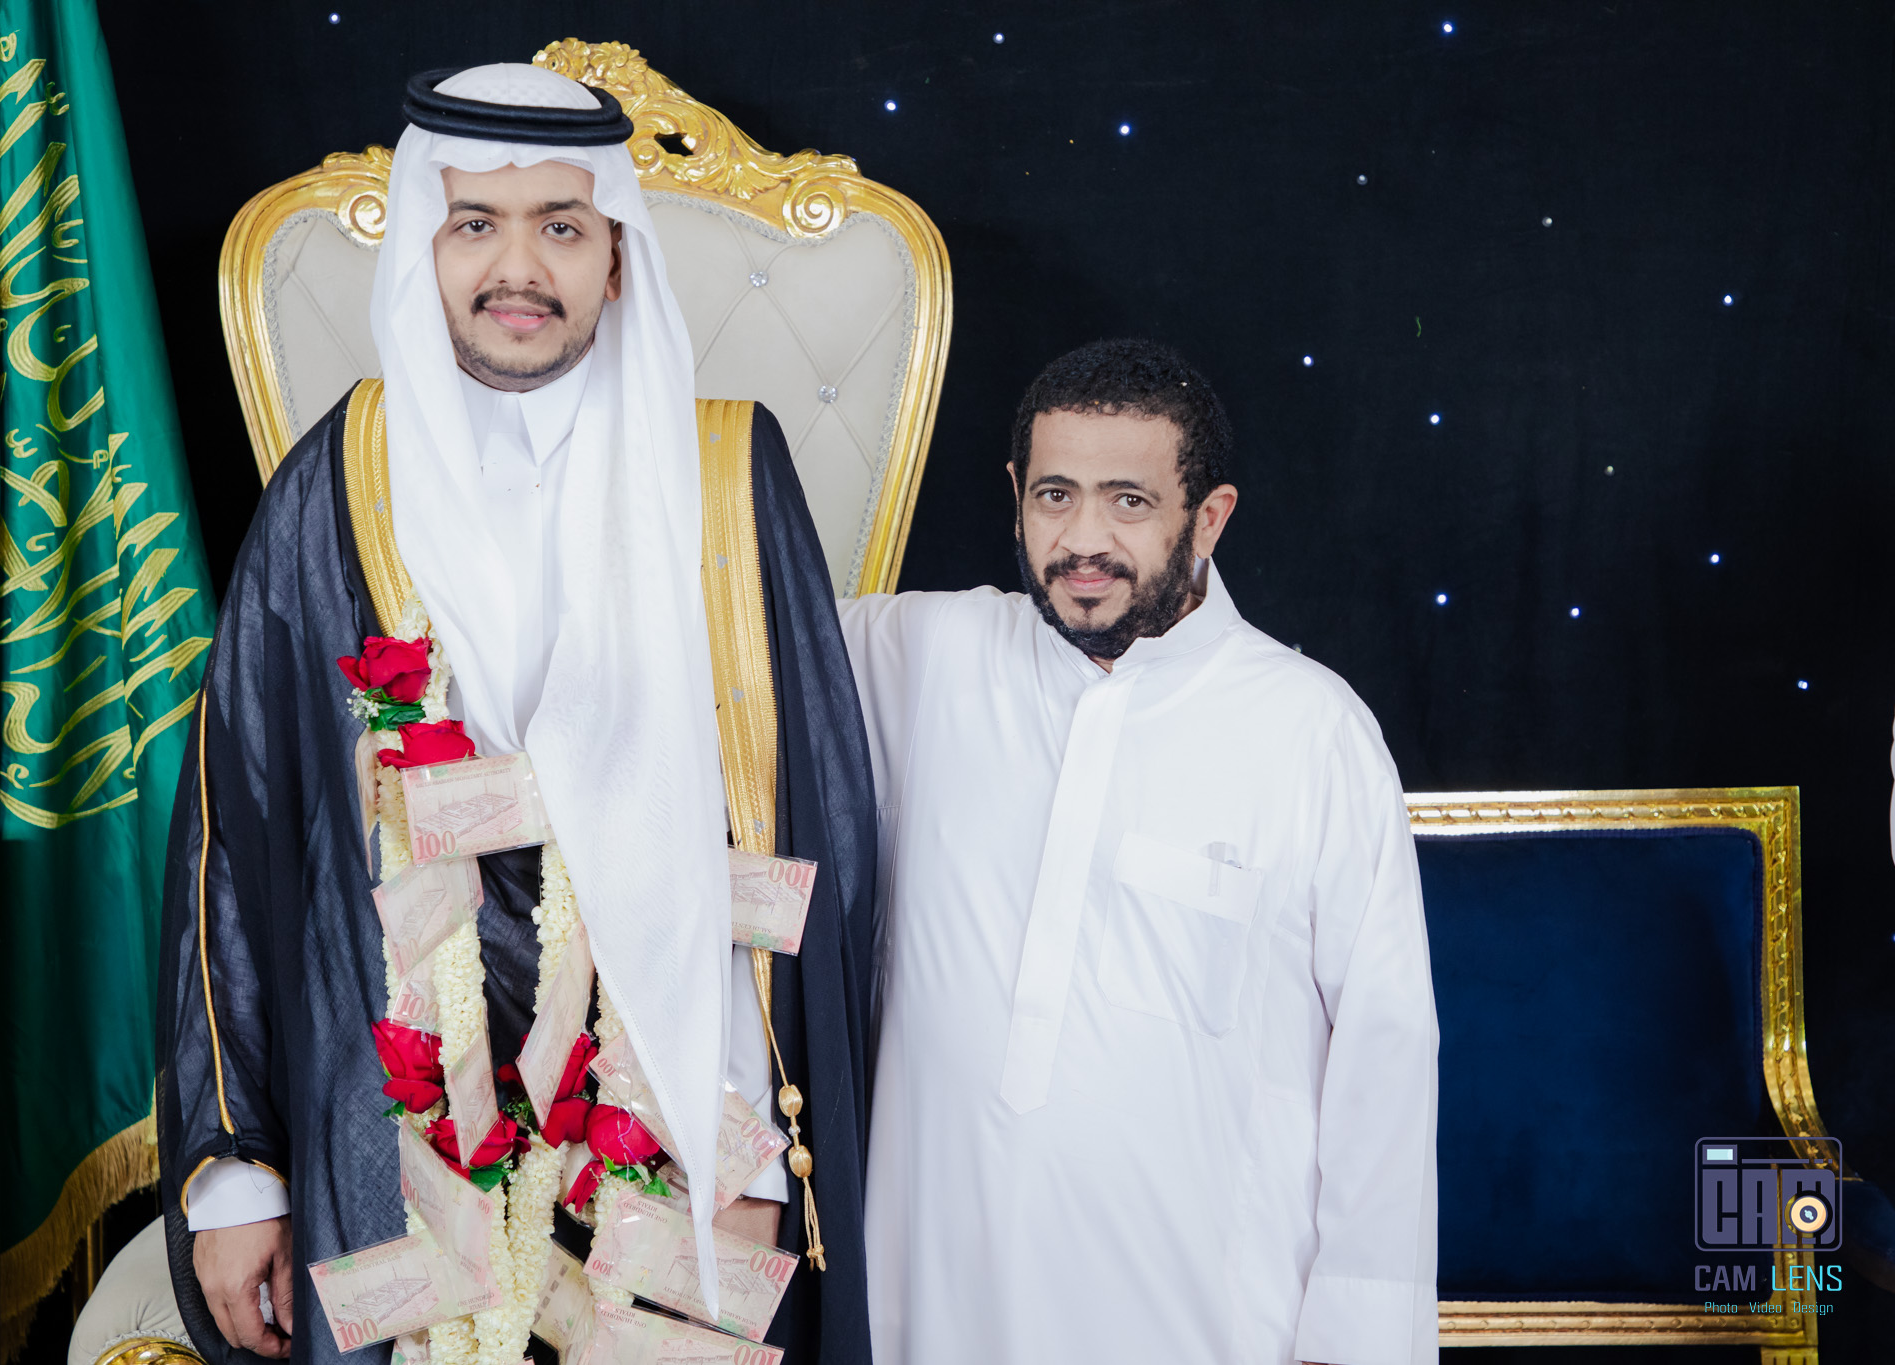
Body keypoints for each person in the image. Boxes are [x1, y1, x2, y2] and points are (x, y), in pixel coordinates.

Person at [158, 64, 876, 1365]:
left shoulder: (725, 473)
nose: (518, 267)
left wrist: (754, 1139)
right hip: (393, 1109)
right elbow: (236, 827)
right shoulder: (340, 482)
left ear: (617, 253)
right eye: (475, 224)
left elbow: (802, 818)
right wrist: (238, 1171)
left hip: (684, 1114)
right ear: (423, 249)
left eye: (561, 225)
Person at [843, 339, 1439, 1365]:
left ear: (1208, 518)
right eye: (1054, 496)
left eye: (1128, 502)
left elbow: (1384, 1058)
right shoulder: (918, 656)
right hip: (930, 1311)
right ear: (1015, 497)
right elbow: (713, 633)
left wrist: (1356, 1347)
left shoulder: (1311, 731)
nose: (1083, 541)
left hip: (1204, 1327)